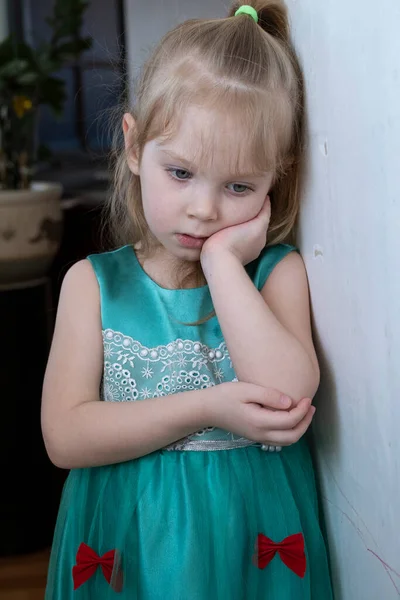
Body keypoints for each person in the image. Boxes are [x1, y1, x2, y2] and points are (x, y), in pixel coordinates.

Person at [42, 2, 333, 598]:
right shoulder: (91, 285)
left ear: (275, 179)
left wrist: (223, 264)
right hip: (131, 550)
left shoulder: (276, 275)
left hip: (247, 549)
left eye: (238, 186)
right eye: (180, 173)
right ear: (133, 146)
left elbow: (289, 396)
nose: (205, 209)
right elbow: (65, 437)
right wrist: (209, 407)